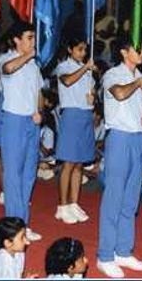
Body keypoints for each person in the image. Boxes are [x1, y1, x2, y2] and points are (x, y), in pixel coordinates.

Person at [96, 36, 142, 278]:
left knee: (131, 199)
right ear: (123, 52)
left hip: (138, 138)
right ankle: (105, 255)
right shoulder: (114, 74)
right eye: (137, 49)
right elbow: (118, 94)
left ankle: (123, 250)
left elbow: (139, 110)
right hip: (119, 138)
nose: (141, 52)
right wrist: (138, 84)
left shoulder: (141, 77)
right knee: (114, 198)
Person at [0, 22, 43, 241]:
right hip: (13, 121)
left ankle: (23, 223)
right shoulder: (6, 58)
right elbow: (8, 69)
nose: (32, 41)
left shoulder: (34, 66)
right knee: (13, 175)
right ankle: (14, 226)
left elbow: (38, 91)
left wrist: (39, 111)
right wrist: (28, 56)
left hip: (31, 122)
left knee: (29, 174)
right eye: (29, 37)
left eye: (34, 37)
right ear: (17, 40)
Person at [55, 36, 96, 224]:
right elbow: (67, 81)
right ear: (70, 50)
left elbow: (91, 92)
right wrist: (85, 68)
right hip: (71, 115)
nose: (83, 53)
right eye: (79, 49)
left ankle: (74, 203)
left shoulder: (88, 72)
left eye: (85, 50)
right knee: (69, 163)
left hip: (86, 115)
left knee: (79, 163)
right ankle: (62, 205)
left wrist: (92, 98)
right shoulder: (64, 66)